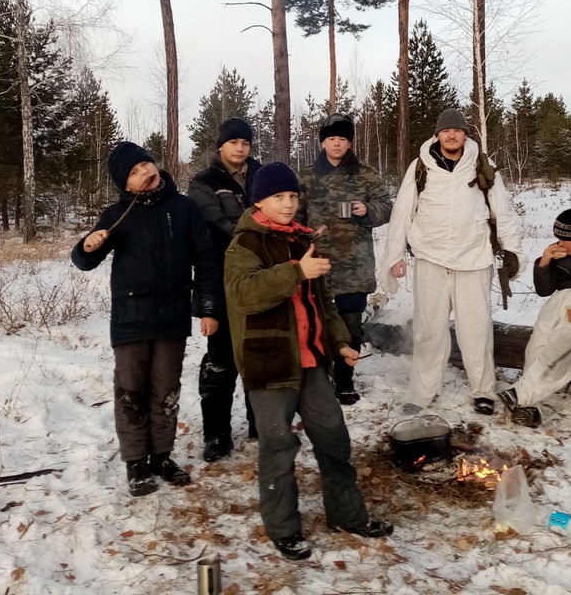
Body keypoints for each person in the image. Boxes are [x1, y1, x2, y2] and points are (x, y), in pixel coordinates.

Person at [224, 162, 393, 561]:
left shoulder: (303, 241)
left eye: (292, 196)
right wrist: (295, 272)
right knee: (278, 446)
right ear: (259, 201)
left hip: (312, 361)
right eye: (278, 197)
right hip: (270, 363)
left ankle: (347, 514)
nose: (287, 203)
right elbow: (244, 294)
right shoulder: (244, 245)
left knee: (333, 437)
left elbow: (324, 305)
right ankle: (283, 528)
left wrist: (340, 344)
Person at [71, 141, 220, 496]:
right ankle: (136, 462)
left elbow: (207, 260)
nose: (145, 174)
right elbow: (85, 259)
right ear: (126, 185)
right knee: (131, 391)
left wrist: (209, 307)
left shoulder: (183, 208)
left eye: (146, 165)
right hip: (131, 318)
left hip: (173, 317)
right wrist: (87, 246)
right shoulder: (116, 215)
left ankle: (161, 456)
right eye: (135, 173)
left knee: (165, 390)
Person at [379, 108, 527, 416]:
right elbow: (402, 213)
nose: (451, 135)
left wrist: (512, 251)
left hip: (473, 259)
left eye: (457, 130)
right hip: (431, 258)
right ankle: (422, 391)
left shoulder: (483, 166)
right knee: (427, 329)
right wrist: (394, 256)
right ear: (438, 134)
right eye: (446, 130)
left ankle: (483, 390)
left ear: (465, 135)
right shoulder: (421, 167)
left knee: (476, 329)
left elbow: (504, 209)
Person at [298, 113, 393, 405]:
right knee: (317, 323)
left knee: (351, 326)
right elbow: (293, 215)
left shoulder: (366, 174)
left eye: (342, 139)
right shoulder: (306, 176)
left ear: (349, 142)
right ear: (322, 142)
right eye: (331, 139)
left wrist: (368, 210)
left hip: (355, 264)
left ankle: (344, 382)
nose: (337, 144)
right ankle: (319, 381)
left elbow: (388, 208)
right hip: (318, 265)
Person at [497, 208, 571, 428]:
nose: (560, 242)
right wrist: (545, 262)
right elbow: (544, 290)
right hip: (559, 302)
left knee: (562, 345)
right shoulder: (559, 252)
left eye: (565, 239)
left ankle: (521, 394)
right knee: (537, 345)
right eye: (558, 237)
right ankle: (530, 408)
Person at [187, 117, 262, 462]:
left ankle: (261, 423)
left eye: (245, 143)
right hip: (222, 278)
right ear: (220, 146)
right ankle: (216, 434)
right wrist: (260, 234)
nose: (240, 148)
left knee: (260, 353)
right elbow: (214, 225)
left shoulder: (262, 175)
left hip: (262, 277)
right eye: (233, 142)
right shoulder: (204, 183)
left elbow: (286, 209)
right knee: (221, 359)